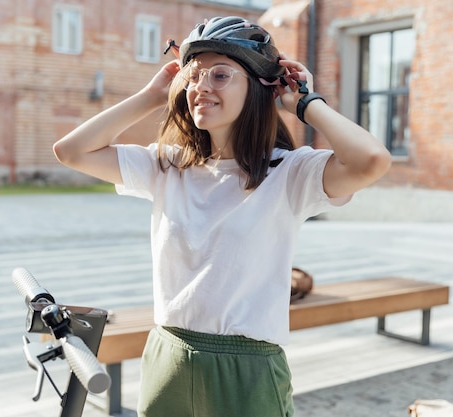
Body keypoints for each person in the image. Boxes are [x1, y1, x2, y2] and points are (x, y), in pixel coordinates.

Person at [53, 16, 391, 417]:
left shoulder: (290, 172)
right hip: (168, 355)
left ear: (259, 87)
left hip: (246, 368)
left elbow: (371, 160)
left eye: (220, 75)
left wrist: (304, 103)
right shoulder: (167, 166)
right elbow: (72, 151)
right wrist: (150, 96)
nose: (202, 87)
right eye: (194, 77)